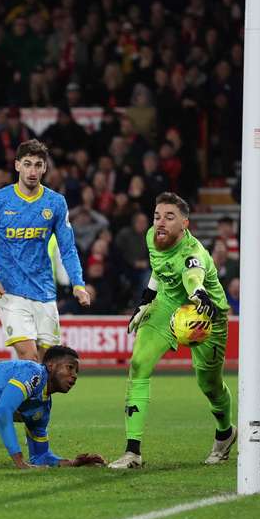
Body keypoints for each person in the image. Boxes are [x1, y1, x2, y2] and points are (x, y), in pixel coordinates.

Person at [109, 192, 235, 469]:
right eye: (157, 216)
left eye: (169, 217)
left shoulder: (193, 253)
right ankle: (132, 452)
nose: (161, 223)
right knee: (139, 365)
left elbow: (193, 276)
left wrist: (199, 295)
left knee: (210, 385)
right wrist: (146, 301)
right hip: (166, 307)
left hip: (204, 314)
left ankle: (225, 433)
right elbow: (159, 269)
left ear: (185, 224)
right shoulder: (153, 236)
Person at [0, 139, 90, 362]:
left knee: (49, 364)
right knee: (29, 357)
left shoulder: (55, 202)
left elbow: (68, 248)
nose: (32, 170)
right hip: (9, 290)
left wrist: (78, 284)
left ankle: (33, 398)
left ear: (45, 168)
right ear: (17, 165)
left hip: (44, 290)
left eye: (37, 164)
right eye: (27, 164)